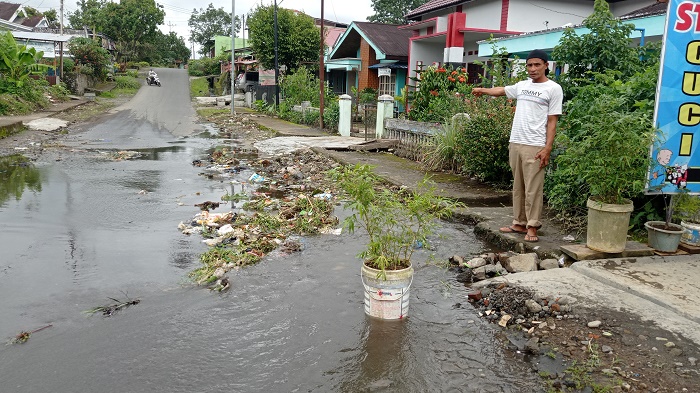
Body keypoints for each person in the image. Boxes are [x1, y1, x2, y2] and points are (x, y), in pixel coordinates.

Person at [471, 49, 563, 242]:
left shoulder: (553, 89)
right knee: (518, 186)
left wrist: (547, 148)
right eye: (529, 65)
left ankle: (532, 226)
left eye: (537, 64)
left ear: (546, 66)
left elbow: (553, 121)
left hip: (535, 144)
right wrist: (482, 90)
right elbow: (502, 91)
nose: (532, 68)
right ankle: (519, 223)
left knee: (533, 188)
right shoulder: (522, 85)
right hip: (516, 142)